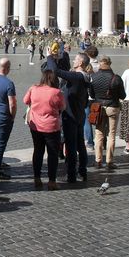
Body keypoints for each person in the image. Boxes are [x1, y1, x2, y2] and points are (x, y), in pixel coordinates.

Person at [46, 52, 92, 183]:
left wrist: (49, 56)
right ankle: (82, 172)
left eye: (76, 59)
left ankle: (71, 175)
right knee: (80, 145)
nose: (73, 61)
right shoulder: (85, 77)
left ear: (81, 63)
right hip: (79, 114)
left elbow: (55, 71)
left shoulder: (77, 77)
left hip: (70, 116)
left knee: (71, 146)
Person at [23, 69, 66, 190]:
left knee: (38, 151)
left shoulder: (33, 88)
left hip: (35, 125)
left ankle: (37, 178)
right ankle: (52, 181)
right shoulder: (56, 92)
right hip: (51, 126)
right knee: (52, 154)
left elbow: (25, 101)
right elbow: (62, 107)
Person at [89, 56, 125, 169]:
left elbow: (92, 94)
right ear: (110, 64)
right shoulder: (116, 78)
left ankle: (98, 160)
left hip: (99, 107)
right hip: (113, 107)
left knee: (99, 134)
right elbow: (123, 95)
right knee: (111, 134)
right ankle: (110, 161)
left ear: (100, 64)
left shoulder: (93, 77)